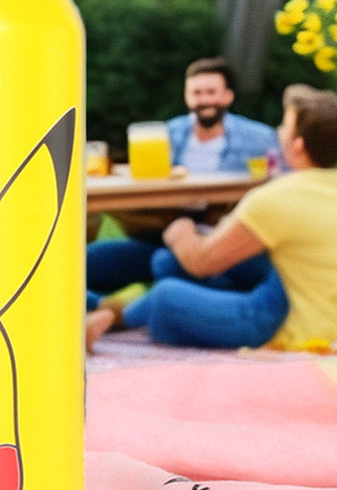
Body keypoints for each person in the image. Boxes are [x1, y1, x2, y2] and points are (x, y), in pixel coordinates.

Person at [92, 85, 337, 351]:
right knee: (165, 262)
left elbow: (202, 262)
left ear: (298, 144)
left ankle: (103, 313)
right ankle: (103, 310)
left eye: (285, 127)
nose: (279, 132)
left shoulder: (276, 197)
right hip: (331, 318)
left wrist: (182, 231)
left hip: (301, 330)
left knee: (166, 289)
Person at [87, 57, 281, 309]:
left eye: (211, 92)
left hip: (221, 240)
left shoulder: (259, 138)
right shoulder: (167, 133)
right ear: (187, 97)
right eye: (197, 93)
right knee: (87, 261)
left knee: (166, 263)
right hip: (165, 233)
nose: (204, 100)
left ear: (228, 96)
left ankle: (141, 314)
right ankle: (101, 312)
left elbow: (282, 186)